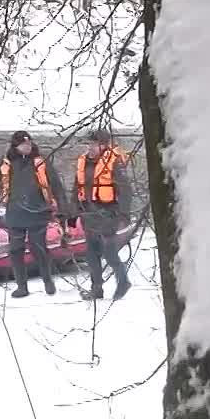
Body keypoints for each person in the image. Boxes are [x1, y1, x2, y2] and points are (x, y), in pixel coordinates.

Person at [0, 130, 67, 298]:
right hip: (14, 213)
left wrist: (62, 207)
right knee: (16, 250)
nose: (27, 146)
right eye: (23, 144)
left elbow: (55, 185)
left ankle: (47, 281)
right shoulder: (6, 164)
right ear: (16, 146)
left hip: (38, 212)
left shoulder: (40, 163)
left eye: (29, 143)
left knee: (39, 248)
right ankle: (22, 286)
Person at [70, 128, 133, 300]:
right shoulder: (83, 161)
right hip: (88, 213)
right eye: (89, 144)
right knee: (91, 255)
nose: (90, 147)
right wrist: (72, 213)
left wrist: (123, 214)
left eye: (94, 144)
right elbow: (77, 188)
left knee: (109, 252)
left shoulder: (114, 162)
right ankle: (96, 289)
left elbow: (126, 190)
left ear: (104, 145)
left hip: (107, 212)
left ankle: (123, 282)